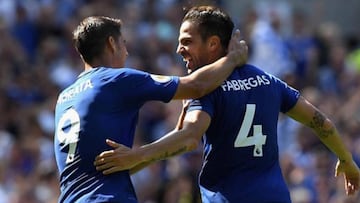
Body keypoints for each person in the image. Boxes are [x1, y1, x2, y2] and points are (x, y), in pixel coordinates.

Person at [94, 6, 360, 203]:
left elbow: (188, 139)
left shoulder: (204, 88)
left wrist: (136, 156)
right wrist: (346, 159)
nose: (178, 49)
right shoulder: (269, 81)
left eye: (186, 41)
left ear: (213, 44)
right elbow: (320, 122)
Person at [53, 16, 248, 203]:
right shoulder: (114, 79)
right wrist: (232, 58)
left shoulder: (64, 98)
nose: (127, 52)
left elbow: (111, 166)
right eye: (124, 43)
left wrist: (162, 143)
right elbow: (196, 86)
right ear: (112, 43)